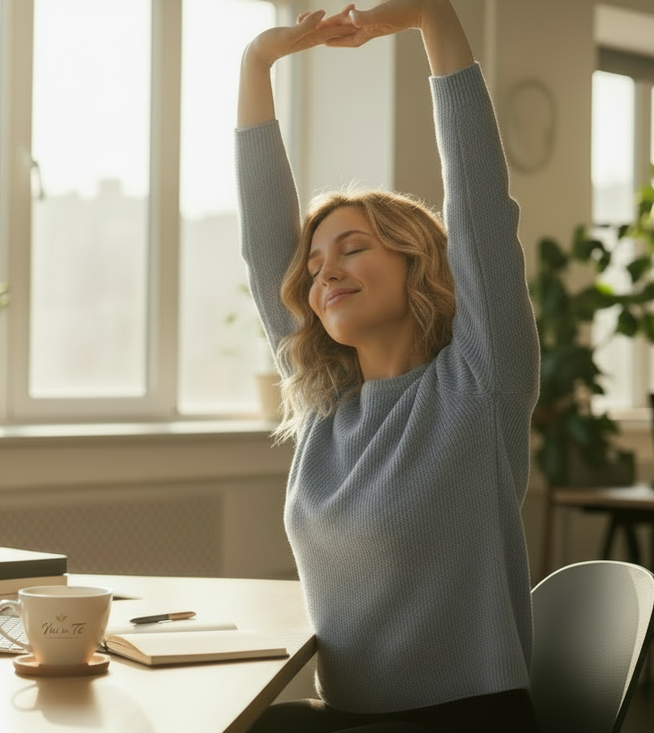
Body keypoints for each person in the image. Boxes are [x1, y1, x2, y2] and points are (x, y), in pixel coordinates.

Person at [235, 2, 541, 731]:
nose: (326, 273)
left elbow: (480, 202)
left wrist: (433, 18)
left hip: (466, 718)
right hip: (353, 716)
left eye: (353, 249)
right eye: (315, 265)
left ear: (417, 263)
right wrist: (256, 64)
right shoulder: (327, 405)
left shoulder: (480, 382)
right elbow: (264, 246)